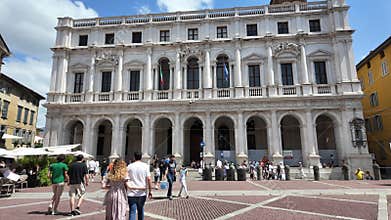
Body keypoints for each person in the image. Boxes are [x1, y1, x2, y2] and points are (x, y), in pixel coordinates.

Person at [127, 152, 152, 220]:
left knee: (132, 212)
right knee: (140, 211)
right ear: (141, 157)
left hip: (131, 193)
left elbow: (126, 180)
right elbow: (149, 179)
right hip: (142, 192)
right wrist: (150, 191)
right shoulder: (146, 166)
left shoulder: (129, 166)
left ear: (134, 157)